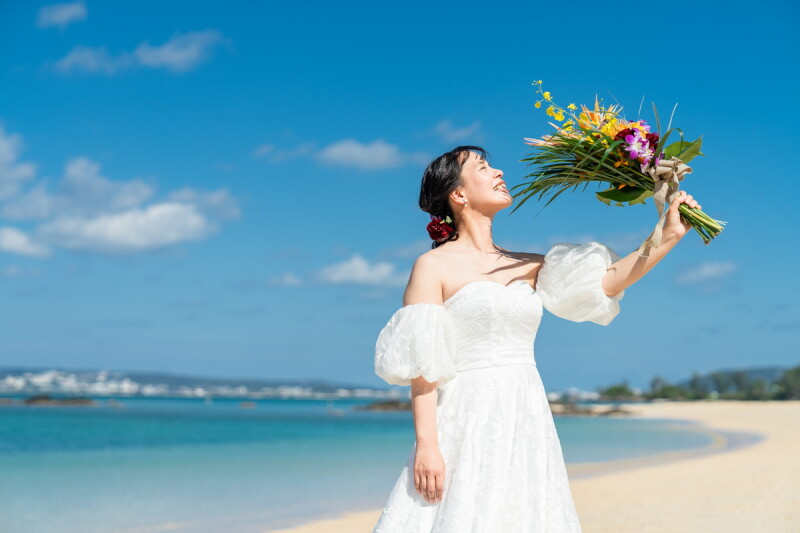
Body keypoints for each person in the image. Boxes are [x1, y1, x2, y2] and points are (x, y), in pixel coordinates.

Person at [371, 146, 702, 532]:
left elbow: (607, 282)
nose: (498, 172)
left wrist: (667, 234)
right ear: (458, 194)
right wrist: (427, 446)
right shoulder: (432, 266)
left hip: (525, 413)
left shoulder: (529, 264)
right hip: (464, 415)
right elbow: (424, 366)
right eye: (483, 167)